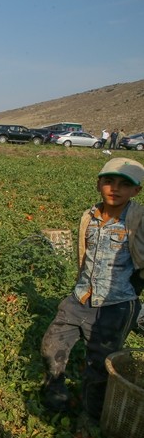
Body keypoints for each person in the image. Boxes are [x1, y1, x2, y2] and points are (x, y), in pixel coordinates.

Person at [41, 158, 144, 421]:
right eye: (109, 181)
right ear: (99, 183)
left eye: (124, 184)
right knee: (51, 345)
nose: (115, 188)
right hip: (80, 297)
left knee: (99, 364)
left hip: (116, 305)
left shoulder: (138, 219)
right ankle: (55, 391)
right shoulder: (89, 217)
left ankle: (92, 414)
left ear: (136, 191)